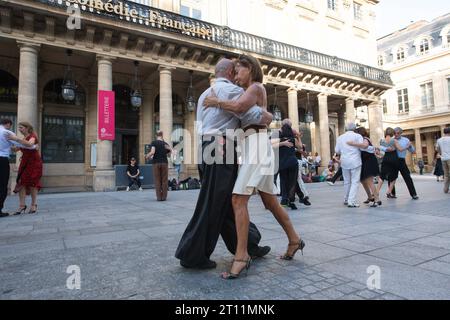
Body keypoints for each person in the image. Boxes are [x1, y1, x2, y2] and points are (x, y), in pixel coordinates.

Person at [202, 54, 305, 279]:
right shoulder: (250, 91)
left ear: (250, 68)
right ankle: (294, 240)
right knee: (270, 202)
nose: (236, 75)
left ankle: (241, 257)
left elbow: (239, 107)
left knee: (238, 199)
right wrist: (264, 116)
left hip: (257, 146)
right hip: (254, 146)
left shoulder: (256, 87)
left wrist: (215, 101)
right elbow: (253, 114)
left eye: (239, 70)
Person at [175, 58, 273, 270]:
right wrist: (268, 113)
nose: (237, 75)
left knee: (225, 202)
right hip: (222, 145)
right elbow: (260, 117)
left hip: (205, 146)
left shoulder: (203, 95)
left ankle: (249, 244)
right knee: (214, 202)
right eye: (235, 71)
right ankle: (193, 254)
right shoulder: (233, 92)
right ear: (229, 72)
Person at [11, 122, 43, 215]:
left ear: (27, 128)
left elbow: (30, 144)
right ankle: (22, 205)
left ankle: (33, 204)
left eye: (21, 127)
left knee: (33, 183)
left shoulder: (33, 136)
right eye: (19, 128)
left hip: (34, 163)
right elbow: (15, 149)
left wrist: (16, 139)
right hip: (25, 163)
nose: (19, 129)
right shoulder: (23, 139)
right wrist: (9, 142)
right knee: (21, 183)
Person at [347, 127, 380, 207]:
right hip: (365, 162)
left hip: (369, 161)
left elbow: (365, 146)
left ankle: (376, 199)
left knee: (369, 181)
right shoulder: (361, 139)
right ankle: (370, 197)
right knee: (362, 180)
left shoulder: (365, 139)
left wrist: (352, 143)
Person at [335, 123, 363, 208]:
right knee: (355, 181)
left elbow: (337, 150)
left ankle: (346, 199)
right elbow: (361, 147)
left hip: (344, 161)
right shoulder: (358, 136)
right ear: (354, 129)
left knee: (347, 181)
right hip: (355, 161)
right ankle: (352, 201)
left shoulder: (340, 137)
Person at [276, 119, 300, 210]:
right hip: (293, 162)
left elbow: (270, 144)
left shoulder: (278, 137)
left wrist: (282, 143)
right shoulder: (293, 139)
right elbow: (300, 147)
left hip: (283, 163)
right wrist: (298, 137)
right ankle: (292, 200)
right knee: (292, 182)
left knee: (283, 181)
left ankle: (284, 200)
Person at [390, 127, 419, 200]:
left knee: (407, 177)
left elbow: (412, 151)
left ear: (401, 133)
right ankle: (392, 193)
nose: (396, 134)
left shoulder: (406, 140)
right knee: (392, 177)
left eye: (398, 133)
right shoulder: (391, 140)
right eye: (395, 133)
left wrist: (410, 146)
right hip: (393, 160)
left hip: (401, 161)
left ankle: (413, 194)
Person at [145, 131, 171, 201]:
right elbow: (170, 152)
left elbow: (153, 152)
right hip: (164, 163)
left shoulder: (154, 142)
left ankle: (159, 197)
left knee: (157, 180)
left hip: (156, 163)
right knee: (164, 180)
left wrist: (147, 156)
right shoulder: (165, 143)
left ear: (156, 135)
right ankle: (164, 197)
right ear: (162, 135)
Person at [436, 127, 450, 193]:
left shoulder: (439, 140)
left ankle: (445, 189)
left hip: (443, 159)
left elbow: (437, 149)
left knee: (446, 174)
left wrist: (441, 153)